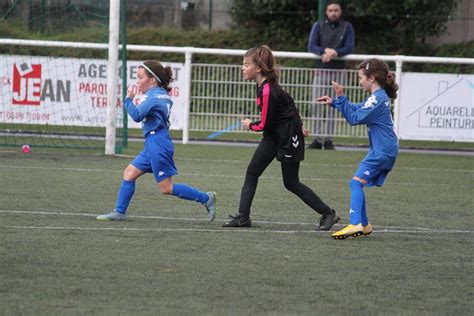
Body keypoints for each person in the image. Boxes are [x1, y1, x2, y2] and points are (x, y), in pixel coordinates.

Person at [223, 45, 340, 230]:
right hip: (273, 136)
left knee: (291, 182)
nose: (242, 68)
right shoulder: (262, 85)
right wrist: (300, 124)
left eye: (246, 64)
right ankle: (243, 217)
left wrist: (248, 125)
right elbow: (289, 103)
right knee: (252, 172)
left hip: (286, 136)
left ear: (259, 68)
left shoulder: (268, 89)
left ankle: (329, 213)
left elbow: (264, 124)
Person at [96, 60, 217, 221]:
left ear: (152, 80)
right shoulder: (161, 94)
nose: (138, 81)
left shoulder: (152, 97)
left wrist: (127, 100)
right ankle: (120, 212)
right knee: (129, 173)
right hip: (154, 142)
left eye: (140, 77)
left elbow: (137, 116)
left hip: (158, 144)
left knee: (166, 188)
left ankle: (206, 198)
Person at [317, 59, 399, 239]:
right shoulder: (377, 97)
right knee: (357, 183)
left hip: (382, 151)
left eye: (361, 78)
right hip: (384, 149)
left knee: (355, 183)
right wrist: (335, 102)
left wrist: (341, 96)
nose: (359, 81)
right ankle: (365, 224)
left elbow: (354, 118)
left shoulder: (377, 99)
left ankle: (355, 223)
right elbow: (356, 109)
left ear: (371, 78)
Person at [307, 1, 355, 150]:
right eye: (330, 10)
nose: (333, 13)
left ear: (340, 12)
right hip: (320, 71)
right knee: (316, 104)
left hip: (338, 72)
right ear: (326, 12)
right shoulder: (318, 26)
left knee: (334, 106)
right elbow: (311, 46)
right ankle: (317, 138)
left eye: (336, 10)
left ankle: (328, 139)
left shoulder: (347, 27)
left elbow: (349, 46)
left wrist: (336, 53)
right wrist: (325, 51)